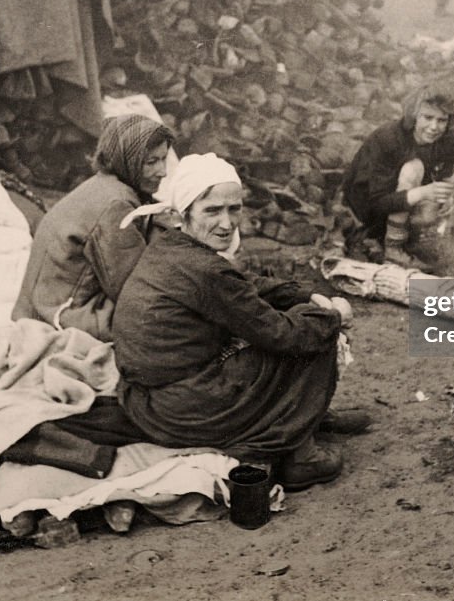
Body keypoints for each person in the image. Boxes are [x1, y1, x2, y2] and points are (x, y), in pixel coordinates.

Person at [113, 153, 367, 491]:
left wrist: (304, 294)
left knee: (300, 319)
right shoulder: (203, 269)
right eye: (212, 211)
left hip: (151, 402)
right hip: (187, 409)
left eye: (234, 209)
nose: (227, 222)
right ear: (182, 213)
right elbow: (281, 334)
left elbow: (243, 284)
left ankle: (309, 417)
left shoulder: (170, 247)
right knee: (310, 331)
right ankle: (299, 454)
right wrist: (332, 315)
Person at [11, 114, 173, 341]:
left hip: (36, 306)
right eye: (151, 162)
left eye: (164, 159)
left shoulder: (105, 183)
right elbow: (133, 287)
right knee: (173, 320)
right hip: (62, 316)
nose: (163, 171)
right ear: (126, 159)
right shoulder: (117, 205)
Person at [342, 86, 454, 268]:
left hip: (403, 195)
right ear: (414, 116)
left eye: (441, 120)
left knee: (433, 208)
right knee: (413, 168)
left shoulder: (450, 141)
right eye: (427, 118)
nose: (434, 127)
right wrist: (421, 194)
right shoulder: (389, 138)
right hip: (367, 201)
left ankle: (410, 239)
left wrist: (447, 199)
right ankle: (393, 248)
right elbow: (377, 202)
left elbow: (444, 177)